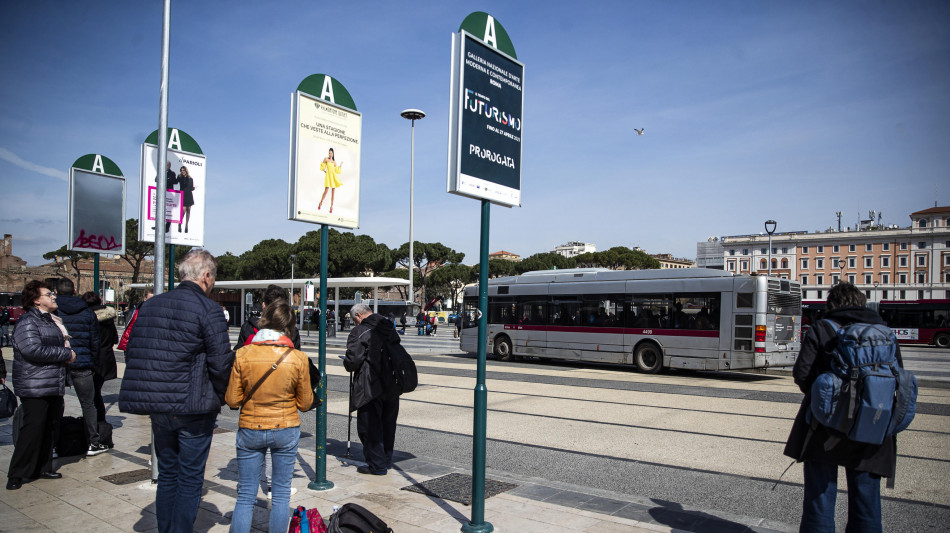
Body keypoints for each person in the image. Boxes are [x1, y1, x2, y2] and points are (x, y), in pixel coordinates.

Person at [118, 249, 234, 533]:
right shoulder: (209, 310)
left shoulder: (150, 306)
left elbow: (133, 351)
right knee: (190, 477)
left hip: (158, 406)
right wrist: (220, 397)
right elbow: (221, 364)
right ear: (206, 276)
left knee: (167, 474)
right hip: (192, 406)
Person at [784, 283, 900, 532]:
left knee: (820, 499)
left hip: (824, 428)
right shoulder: (884, 332)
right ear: (862, 303)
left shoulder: (822, 328)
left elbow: (802, 374)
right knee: (867, 502)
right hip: (873, 426)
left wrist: (827, 401)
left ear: (832, 304)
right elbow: (896, 380)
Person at [226, 301, 312, 533]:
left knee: (245, 495)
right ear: (290, 326)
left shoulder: (243, 354)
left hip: (250, 427)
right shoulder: (298, 358)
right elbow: (305, 403)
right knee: (281, 494)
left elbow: (232, 400)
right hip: (285, 427)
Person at [7, 281, 76, 491]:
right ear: (37, 300)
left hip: (51, 382)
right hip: (35, 384)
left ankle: (42, 467)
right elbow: (32, 350)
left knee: (50, 426)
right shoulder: (28, 321)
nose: (53, 296)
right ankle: (17, 473)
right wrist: (66, 354)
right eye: (48, 294)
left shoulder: (49, 320)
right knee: (33, 428)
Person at [236, 284, 303, 498]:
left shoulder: (248, 327)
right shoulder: (292, 331)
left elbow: (235, 368)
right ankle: (273, 486)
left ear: (263, 305)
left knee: (245, 495)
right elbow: (300, 372)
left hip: (252, 410)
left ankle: (255, 484)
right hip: (283, 410)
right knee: (281, 492)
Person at [343, 303, 401, 475]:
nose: (355, 323)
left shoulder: (360, 331)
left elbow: (352, 361)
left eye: (354, 320)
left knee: (369, 425)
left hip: (370, 385)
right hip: (392, 383)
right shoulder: (389, 326)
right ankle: (386, 460)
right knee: (388, 424)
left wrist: (346, 361)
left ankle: (377, 465)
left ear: (359, 316)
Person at [54, 278, 107, 456]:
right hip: (82, 362)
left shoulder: (52, 310)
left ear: (56, 292)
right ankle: (93, 442)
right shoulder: (86, 312)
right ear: (74, 290)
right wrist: (93, 362)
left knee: (56, 403)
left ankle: (53, 444)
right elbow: (95, 340)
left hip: (58, 362)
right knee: (88, 404)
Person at [82, 291, 118, 437]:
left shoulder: (87, 318)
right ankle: (99, 423)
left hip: (93, 359)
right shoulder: (108, 320)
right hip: (106, 359)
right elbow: (114, 339)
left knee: (92, 396)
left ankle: (97, 425)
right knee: (97, 393)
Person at [317, 147, 343, 213]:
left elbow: (336, 170)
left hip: (333, 177)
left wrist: (340, 165)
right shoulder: (326, 159)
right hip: (328, 177)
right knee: (326, 191)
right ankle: (321, 202)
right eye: (329, 153)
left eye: (331, 153)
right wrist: (325, 171)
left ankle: (331, 207)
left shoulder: (334, 162)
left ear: (333, 154)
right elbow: (323, 167)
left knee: (333, 193)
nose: (330, 154)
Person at [177, 165, 196, 233]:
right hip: (183, 195)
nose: (182, 172)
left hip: (189, 195)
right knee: (183, 211)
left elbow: (190, 188)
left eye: (183, 170)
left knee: (189, 210)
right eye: (181, 171)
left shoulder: (190, 179)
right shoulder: (180, 177)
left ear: (186, 171)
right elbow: (176, 182)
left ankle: (186, 225)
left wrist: (194, 188)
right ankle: (180, 223)